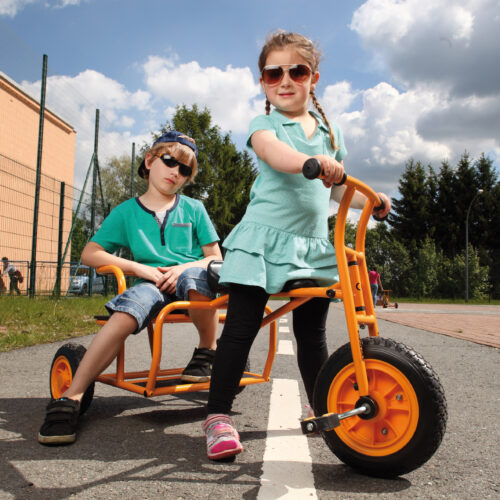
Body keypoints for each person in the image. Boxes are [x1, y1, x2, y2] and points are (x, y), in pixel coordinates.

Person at [201, 31, 392, 460]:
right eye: (273, 73)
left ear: (314, 78)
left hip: (310, 246)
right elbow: (273, 155)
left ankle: (321, 402)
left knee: (312, 332)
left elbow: (342, 189)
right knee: (242, 327)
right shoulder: (264, 125)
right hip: (262, 242)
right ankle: (217, 416)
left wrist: (372, 199)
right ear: (263, 82)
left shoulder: (329, 130)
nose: (285, 80)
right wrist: (309, 163)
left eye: (296, 71)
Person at [38, 131, 222, 445]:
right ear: (150, 161)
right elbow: (90, 253)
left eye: (185, 169)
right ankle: (72, 395)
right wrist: (139, 268)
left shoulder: (193, 209)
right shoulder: (126, 212)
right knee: (127, 311)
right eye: (170, 161)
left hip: (189, 278)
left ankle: (207, 351)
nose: (176, 172)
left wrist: (182, 268)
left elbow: (214, 257)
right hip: (149, 282)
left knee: (196, 277)